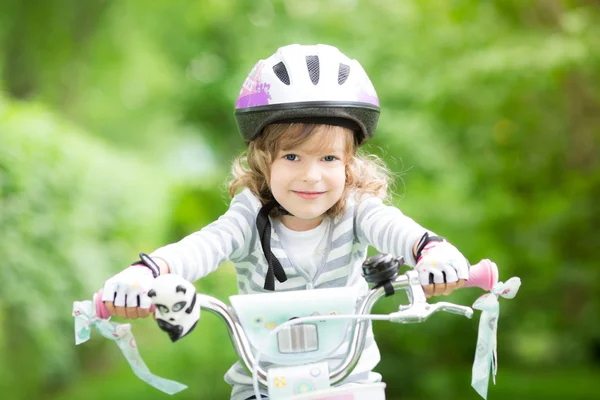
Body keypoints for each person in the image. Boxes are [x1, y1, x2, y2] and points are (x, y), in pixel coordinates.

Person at [101, 44, 470, 400]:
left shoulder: (357, 208)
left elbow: (394, 227)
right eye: (292, 156)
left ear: (348, 163)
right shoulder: (250, 215)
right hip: (262, 387)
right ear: (264, 160)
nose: (311, 175)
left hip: (350, 384)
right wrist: (145, 274)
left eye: (328, 158)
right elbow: (203, 246)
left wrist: (431, 251)